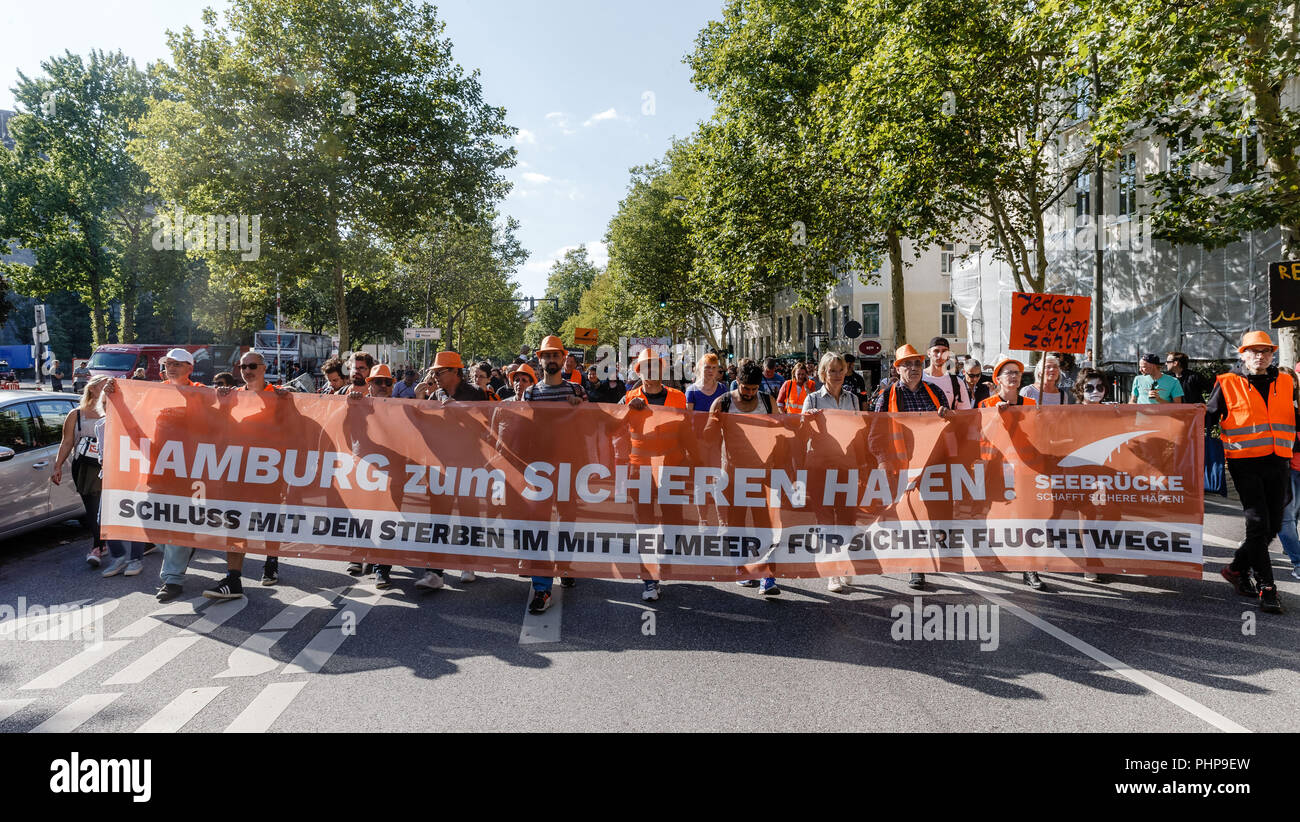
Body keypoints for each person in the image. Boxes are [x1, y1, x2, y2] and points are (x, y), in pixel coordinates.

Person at [1207, 331, 1294, 613]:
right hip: (1245, 463)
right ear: (1242, 354)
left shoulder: (1286, 381)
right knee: (1258, 524)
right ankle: (1267, 588)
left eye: (1266, 351)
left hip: (1278, 461)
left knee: (1274, 525)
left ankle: (1236, 569)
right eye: (1254, 351)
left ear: (1273, 354)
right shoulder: (1227, 382)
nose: (1260, 356)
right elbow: (1205, 418)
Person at [205, 351, 288, 597]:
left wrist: (288, 404)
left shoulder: (279, 395)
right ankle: (233, 579)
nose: (247, 370)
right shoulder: (232, 396)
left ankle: (271, 560)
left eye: (252, 366)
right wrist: (220, 404)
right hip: (238, 469)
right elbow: (217, 428)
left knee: (268, 519)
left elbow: (294, 429)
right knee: (235, 522)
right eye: (243, 366)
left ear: (264, 368)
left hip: (269, 470)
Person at [873, 344, 951, 589]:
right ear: (898, 369)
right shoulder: (887, 395)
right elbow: (875, 433)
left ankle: (934, 544)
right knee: (911, 517)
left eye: (917, 363)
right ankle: (916, 567)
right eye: (908, 364)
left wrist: (946, 416)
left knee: (935, 515)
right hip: (902, 465)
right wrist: (883, 461)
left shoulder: (935, 391)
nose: (914, 368)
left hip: (933, 464)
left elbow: (951, 425)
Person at [621, 347, 692, 602]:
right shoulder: (629, 397)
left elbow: (688, 430)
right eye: (645, 367)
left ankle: (663, 560)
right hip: (640, 467)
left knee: (674, 520)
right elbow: (611, 425)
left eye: (655, 366)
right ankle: (650, 579)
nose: (650, 371)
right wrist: (628, 409)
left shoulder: (678, 397)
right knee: (645, 523)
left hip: (672, 466)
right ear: (639, 371)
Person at [413, 350, 488, 592]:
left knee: (469, 515)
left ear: (455, 371)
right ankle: (434, 571)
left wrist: (461, 411)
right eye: (434, 372)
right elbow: (423, 427)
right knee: (438, 518)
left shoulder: (476, 394)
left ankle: (468, 564)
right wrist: (420, 400)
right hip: (441, 464)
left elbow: (487, 428)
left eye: (439, 372)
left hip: (469, 464)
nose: (435, 376)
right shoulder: (435, 394)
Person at [521, 336, 585, 613]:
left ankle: (566, 565)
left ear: (563, 358)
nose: (550, 360)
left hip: (570, 467)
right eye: (545, 356)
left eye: (554, 355)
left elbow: (591, 425)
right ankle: (542, 588)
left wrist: (579, 409)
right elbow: (523, 427)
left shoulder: (578, 390)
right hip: (541, 470)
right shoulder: (531, 393)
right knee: (540, 526)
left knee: (568, 522)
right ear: (539, 360)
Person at [152, 348, 210, 602]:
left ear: (190, 368)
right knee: (150, 520)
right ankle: (184, 547)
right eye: (168, 364)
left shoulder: (200, 391)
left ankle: (172, 579)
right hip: (158, 468)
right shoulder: (154, 392)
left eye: (177, 364)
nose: (171, 368)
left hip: (189, 470)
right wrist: (111, 390)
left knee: (177, 522)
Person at [802, 352, 860, 593]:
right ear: (822, 374)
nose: (837, 375)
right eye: (832, 371)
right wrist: (807, 420)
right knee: (825, 520)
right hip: (820, 467)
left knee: (847, 518)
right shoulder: (813, 399)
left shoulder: (853, 399)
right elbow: (800, 430)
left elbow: (859, 428)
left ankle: (843, 563)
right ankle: (832, 572)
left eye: (840, 370)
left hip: (847, 465)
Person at [52, 374, 109, 565]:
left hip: (107, 466)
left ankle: (98, 547)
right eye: (104, 385)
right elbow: (67, 442)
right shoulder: (75, 414)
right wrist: (58, 466)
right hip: (84, 467)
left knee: (102, 507)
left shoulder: (114, 413)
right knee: (92, 507)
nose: (108, 389)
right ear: (92, 388)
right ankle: (101, 544)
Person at [1276, 364, 1300, 581]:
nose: (1288, 383)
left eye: (1291, 379)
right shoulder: (1275, 406)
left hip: (1295, 467)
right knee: (1286, 518)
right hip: (1285, 469)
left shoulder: (1295, 403)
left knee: (1292, 516)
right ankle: (1299, 562)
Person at [922, 336, 973, 410]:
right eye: (936, 351)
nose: (940, 355)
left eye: (944, 351)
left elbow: (965, 413)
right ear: (929, 353)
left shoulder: (957, 382)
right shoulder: (919, 378)